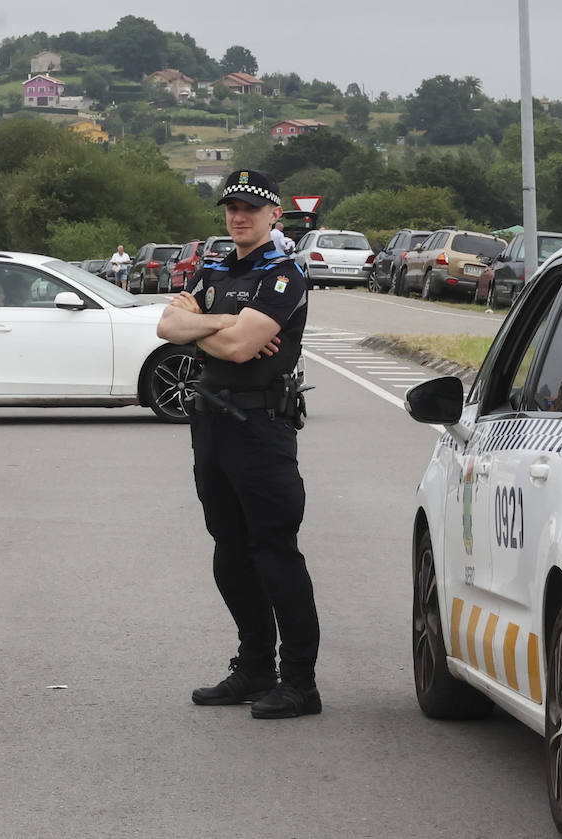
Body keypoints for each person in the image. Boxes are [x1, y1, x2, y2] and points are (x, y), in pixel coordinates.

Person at [155, 169, 319, 720]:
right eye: (231, 207)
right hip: (210, 426)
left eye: (250, 208)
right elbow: (165, 326)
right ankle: (254, 668)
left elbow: (245, 349)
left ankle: (299, 681)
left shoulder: (283, 275)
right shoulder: (215, 268)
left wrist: (204, 323)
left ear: (275, 215)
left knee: (273, 554)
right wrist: (220, 321)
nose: (238, 216)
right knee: (229, 552)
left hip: (261, 429)